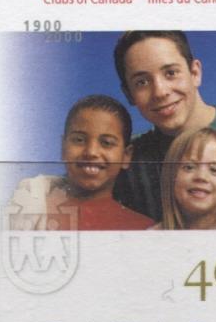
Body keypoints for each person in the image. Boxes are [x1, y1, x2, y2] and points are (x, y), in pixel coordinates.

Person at [112, 31, 216, 221]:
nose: (160, 92)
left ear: (195, 73)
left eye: (171, 73)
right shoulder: (127, 159)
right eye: (142, 82)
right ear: (129, 94)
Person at [8, 94, 150, 231]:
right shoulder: (30, 208)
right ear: (63, 147)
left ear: (126, 156)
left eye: (106, 143)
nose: (91, 152)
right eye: (79, 140)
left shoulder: (143, 229)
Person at [153, 127, 216, 230]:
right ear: (171, 178)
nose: (201, 177)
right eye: (189, 167)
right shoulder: (153, 235)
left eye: (214, 170)